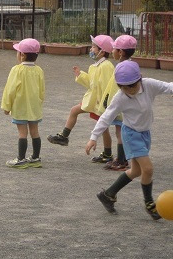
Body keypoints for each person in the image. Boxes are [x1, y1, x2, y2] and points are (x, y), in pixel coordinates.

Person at [86, 60, 173, 220]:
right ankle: (149, 204)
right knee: (148, 169)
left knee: (136, 171)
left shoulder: (149, 85)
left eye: (132, 86)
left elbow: (168, 87)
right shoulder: (120, 97)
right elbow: (106, 117)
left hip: (145, 133)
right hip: (131, 135)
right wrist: (93, 137)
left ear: (139, 79)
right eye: (124, 87)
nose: (129, 91)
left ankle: (108, 194)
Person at [47, 35, 115, 157]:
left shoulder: (106, 66)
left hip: (99, 103)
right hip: (94, 101)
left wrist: (103, 103)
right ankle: (64, 136)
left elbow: (106, 86)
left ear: (102, 51)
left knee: (103, 128)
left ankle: (107, 153)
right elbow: (91, 83)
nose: (91, 49)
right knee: (75, 111)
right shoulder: (95, 66)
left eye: (94, 47)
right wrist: (80, 75)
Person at [0, 38, 45, 168]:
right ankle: (36, 158)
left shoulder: (17, 70)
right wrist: (39, 103)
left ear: (22, 55)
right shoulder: (39, 70)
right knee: (35, 132)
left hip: (21, 106)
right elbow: (42, 90)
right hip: (34, 106)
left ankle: (21, 159)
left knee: (22, 133)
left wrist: (6, 106)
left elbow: (10, 89)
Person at [99, 34, 137, 171]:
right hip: (124, 106)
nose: (112, 51)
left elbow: (115, 89)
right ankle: (122, 158)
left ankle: (122, 160)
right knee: (120, 132)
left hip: (121, 108)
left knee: (120, 133)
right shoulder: (129, 66)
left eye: (114, 49)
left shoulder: (122, 68)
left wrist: (107, 103)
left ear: (120, 52)